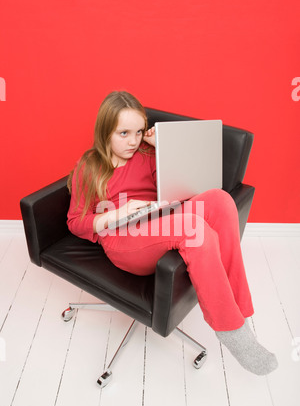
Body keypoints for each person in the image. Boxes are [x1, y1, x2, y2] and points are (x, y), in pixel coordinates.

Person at [67, 91, 278, 376]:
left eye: (139, 132)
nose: (133, 141)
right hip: (122, 238)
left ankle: (241, 318)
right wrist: (118, 212)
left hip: (159, 217)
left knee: (220, 200)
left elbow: (180, 187)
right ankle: (231, 331)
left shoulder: (145, 154)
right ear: (105, 131)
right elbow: (76, 221)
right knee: (195, 230)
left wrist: (162, 148)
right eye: (124, 133)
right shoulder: (89, 166)